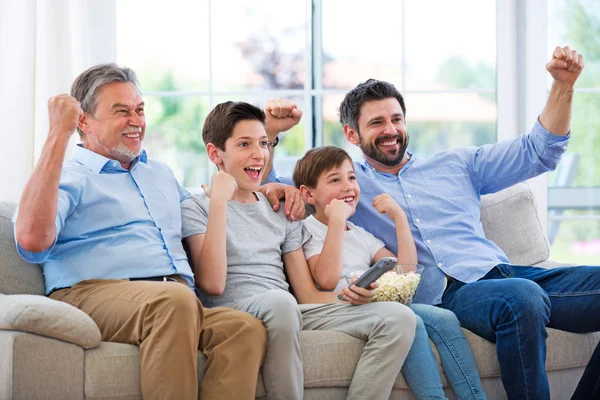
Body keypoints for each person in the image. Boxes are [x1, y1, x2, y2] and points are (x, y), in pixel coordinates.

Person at [263, 46, 600, 400]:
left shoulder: (459, 163)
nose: (390, 129)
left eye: (396, 119)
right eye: (376, 122)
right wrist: (271, 133)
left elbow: (538, 152)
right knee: (523, 296)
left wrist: (563, 86)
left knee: (523, 289)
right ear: (351, 134)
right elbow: (271, 184)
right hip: (448, 296)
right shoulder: (346, 185)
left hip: (502, 272)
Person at [12, 64, 267, 400]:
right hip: (91, 292)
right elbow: (30, 241)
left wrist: (269, 191)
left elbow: (205, 209)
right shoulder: (69, 174)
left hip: (173, 298)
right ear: (83, 122)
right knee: (174, 302)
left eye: (140, 110)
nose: (136, 121)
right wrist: (57, 135)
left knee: (242, 328)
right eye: (122, 111)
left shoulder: (159, 173)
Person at [180, 100, 417, 400]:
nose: (258, 154)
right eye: (244, 144)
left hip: (289, 309)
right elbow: (212, 284)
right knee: (281, 302)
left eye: (263, 143)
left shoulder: (280, 209)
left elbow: (305, 295)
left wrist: (351, 298)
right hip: (234, 311)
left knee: (399, 318)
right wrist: (218, 203)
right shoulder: (196, 207)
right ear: (216, 153)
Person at [293, 145, 487, 400]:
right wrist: (337, 222)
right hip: (341, 307)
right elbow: (326, 280)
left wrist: (400, 219)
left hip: (372, 302)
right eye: (335, 180)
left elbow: (404, 273)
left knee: (444, 318)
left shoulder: (359, 233)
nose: (348, 186)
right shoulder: (307, 230)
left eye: (351, 177)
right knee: (412, 321)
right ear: (308, 194)